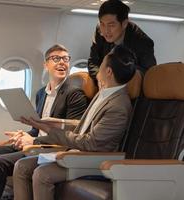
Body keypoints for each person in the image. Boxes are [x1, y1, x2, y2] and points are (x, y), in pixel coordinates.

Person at [0, 44, 88, 200]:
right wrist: (23, 135)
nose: (62, 62)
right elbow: (36, 129)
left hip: (49, 149)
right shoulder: (41, 93)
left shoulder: (74, 94)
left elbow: (70, 135)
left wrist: (33, 140)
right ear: (46, 64)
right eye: (56, 58)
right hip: (35, 144)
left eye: (66, 59)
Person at [13, 45, 137, 200]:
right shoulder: (104, 94)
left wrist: (50, 131)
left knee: (42, 174)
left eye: (102, 65)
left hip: (94, 161)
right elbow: (84, 125)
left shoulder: (118, 106)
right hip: (79, 154)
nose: (97, 70)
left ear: (108, 72)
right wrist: (55, 123)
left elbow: (91, 142)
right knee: (22, 166)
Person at [88, 0, 156, 82]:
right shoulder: (100, 31)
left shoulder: (143, 42)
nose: (106, 31)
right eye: (102, 24)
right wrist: (99, 76)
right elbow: (93, 61)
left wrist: (117, 78)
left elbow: (149, 74)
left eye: (111, 25)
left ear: (124, 24)